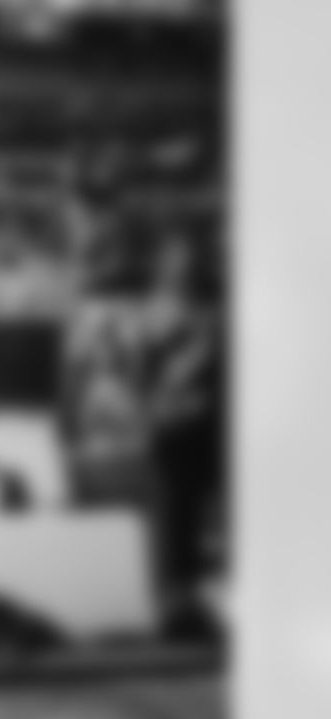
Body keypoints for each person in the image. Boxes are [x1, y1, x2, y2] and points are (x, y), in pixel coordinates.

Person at [139, 232, 226, 641]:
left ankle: (199, 598)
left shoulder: (204, 308)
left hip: (205, 424)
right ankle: (181, 603)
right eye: (172, 260)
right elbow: (161, 374)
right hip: (176, 428)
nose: (180, 268)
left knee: (200, 515)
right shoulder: (158, 311)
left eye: (185, 260)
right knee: (180, 517)